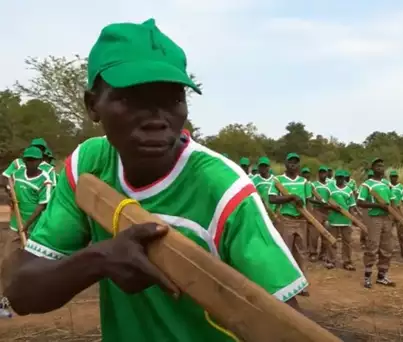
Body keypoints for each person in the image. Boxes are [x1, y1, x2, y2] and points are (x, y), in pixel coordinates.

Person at [5, 19, 308, 342]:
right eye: (132, 98)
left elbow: (287, 325)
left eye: (172, 99)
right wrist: (99, 259)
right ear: (93, 105)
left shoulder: (223, 190)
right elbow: (22, 293)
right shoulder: (88, 165)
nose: (156, 120)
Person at [0, 147, 53, 318]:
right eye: (27, 159)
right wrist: (9, 195)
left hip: (35, 228)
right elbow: (8, 184)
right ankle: (6, 299)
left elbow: (42, 204)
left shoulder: (45, 180)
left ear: (39, 162)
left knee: (34, 265)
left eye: (33, 160)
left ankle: (38, 297)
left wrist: (27, 224)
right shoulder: (17, 173)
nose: (29, 163)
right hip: (16, 227)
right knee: (7, 261)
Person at [269, 152, 312, 296]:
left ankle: (301, 285)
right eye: (290, 162)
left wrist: (309, 219)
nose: (293, 165)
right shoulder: (277, 180)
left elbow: (308, 201)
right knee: (285, 251)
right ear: (285, 164)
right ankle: (285, 284)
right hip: (285, 220)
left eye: (296, 162)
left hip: (301, 220)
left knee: (301, 253)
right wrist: (291, 197)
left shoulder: (304, 182)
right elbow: (272, 199)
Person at [357, 158, 396, 288]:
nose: (381, 168)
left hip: (387, 218)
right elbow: (360, 202)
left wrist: (395, 215)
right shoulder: (367, 185)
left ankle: (382, 276)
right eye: (378, 166)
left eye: (382, 166)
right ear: (372, 169)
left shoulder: (387, 183)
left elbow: (392, 201)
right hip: (375, 219)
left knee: (387, 248)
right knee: (372, 246)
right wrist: (377, 205)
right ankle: (367, 276)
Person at [326, 170, 357, 271]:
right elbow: (325, 202)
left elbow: (352, 206)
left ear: (345, 179)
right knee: (332, 241)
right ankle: (331, 261)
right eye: (338, 177)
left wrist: (351, 218)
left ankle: (347, 262)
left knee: (347, 242)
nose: (340, 179)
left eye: (342, 178)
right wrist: (332, 207)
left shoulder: (349, 190)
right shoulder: (330, 188)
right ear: (335, 178)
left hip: (345, 219)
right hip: (333, 219)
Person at [310, 166, 331, 263]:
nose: (323, 174)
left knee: (326, 234)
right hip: (316, 211)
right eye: (321, 173)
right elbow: (309, 198)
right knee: (314, 234)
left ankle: (323, 254)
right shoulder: (313, 185)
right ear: (318, 174)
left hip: (327, 212)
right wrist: (319, 203)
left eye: (324, 173)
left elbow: (332, 198)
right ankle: (313, 253)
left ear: (327, 174)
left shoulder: (330, 185)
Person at [358, 169, 374, 248]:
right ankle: (363, 241)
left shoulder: (376, 185)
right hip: (366, 208)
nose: (371, 178)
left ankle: (371, 241)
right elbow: (360, 198)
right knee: (365, 225)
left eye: (372, 176)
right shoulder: (364, 185)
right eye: (369, 176)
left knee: (373, 226)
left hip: (374, 208)